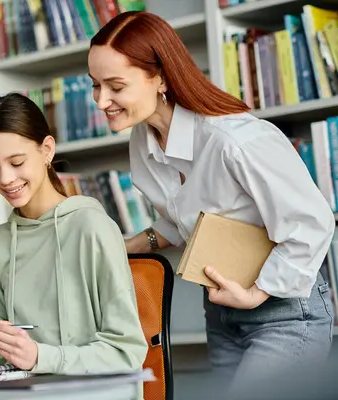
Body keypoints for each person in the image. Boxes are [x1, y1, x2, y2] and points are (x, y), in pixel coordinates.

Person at [88, 10, 336, 398]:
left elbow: (313, 222)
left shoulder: (233, 140)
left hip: (283, 311)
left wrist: (256, 293)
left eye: (115, 86)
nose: (101, 101)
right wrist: (128, 246)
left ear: (161, 77)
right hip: (221, 310)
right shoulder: (143, 140)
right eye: (95, 85)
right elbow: (182, 219)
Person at [0, 93, 148, 379]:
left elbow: (126, 353)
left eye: (16, 163)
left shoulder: (92, 228)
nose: (4, 178)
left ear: (47, 150)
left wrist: (40, 356)